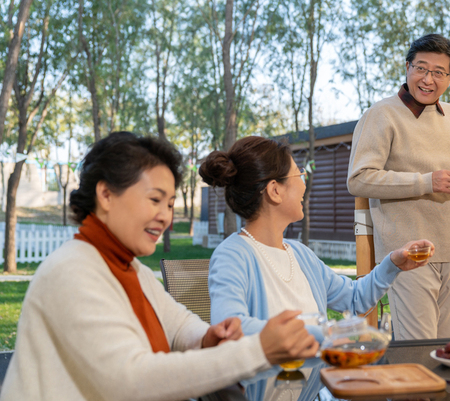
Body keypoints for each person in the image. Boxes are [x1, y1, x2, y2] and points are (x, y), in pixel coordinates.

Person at [0, 132, 318, 401]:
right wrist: (257, 350)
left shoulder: (130, 269)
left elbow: (178, 325)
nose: (165, 216)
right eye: (155, 200)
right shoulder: (72, 270)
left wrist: (209, 337)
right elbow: (130, 379)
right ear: (106, 194)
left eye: (169, 204)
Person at [346, 34, 450, 340]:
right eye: (421, 68)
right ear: (407, 67)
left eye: (438, 72)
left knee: (447, 350)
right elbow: (359, 178)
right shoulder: (381, 114)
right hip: (407, 253)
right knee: (419, 352)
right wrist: (425, 181)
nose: (428, 79)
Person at [204, 136, 434, 342]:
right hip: (268, 390)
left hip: (317, 389)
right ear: (275, 190)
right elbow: (231, 329)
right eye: (299, 173)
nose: (304, 182)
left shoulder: (299, 254)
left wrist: (393, 264)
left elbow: (354, 298)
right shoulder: (232, 256)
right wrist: (324, 334)